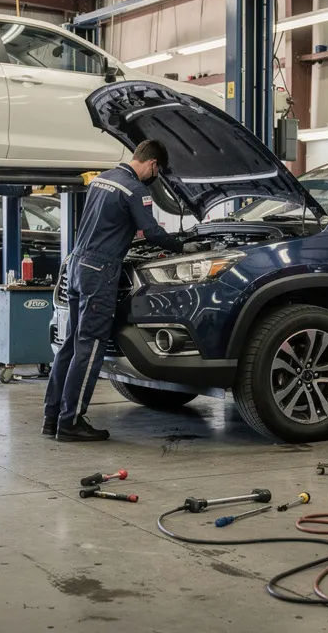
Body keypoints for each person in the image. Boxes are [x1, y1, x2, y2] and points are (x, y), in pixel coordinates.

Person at [44, 140, 206, 442]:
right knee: (90, 347)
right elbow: (153, 232)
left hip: (77, 265)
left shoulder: (102, 179)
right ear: (153, 165)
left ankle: (52, 416)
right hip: (100, 272)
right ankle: (71, 422)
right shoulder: (135, 190)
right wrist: (183, 246)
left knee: (71, 344)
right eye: (157, 172)